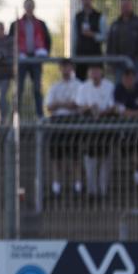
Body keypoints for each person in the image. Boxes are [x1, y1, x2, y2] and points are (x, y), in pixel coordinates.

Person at [75, 65, 119, 198]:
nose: (94, 73)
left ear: (102, 72)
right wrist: (90, 108)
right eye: (92, 71)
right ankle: (91, 191)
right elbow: (79, 107)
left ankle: (103, 190)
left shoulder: (109, 86)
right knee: (90, 159)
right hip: (89, 128)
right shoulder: (83, 87)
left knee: (105, 159)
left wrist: (101, 112)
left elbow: (113, 106)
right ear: (88, 73)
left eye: (97, 70)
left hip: (105, 125)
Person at [44, 60, 84, 196]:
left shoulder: (79, 85)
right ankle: (56, 187)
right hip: (57, 122)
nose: (66, 70)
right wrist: (66, 104)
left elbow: (77, 104)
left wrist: (59, 104)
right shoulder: (54, 86)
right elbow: (49, 107)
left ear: (72, 68)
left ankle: (77, 186)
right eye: (63, 67)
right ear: (60, 69)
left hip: (73, 122)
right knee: (57, 157)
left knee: (75, 157)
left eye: (68, 67)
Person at [9, 0, 52, 118]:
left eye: (31, 6)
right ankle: (15, 117)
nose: (29, 8)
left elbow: (47, 40)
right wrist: (15, 54)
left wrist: (45, 53)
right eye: (27, 5)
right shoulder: (15, 24)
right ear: (24, 7)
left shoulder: (41, 23)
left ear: (34, 7)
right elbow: (10, 41)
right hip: (21, 59)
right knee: (18, 89)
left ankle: (40, 116)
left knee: (37, 88)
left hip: (36, 59)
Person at [106, 0, 138, 79]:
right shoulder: (115, 24)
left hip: (134, 63)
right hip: (118, 64)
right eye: (123, 6)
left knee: (136, 88)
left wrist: (137, 56)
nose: (125, 8)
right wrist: (110, 63)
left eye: (127, 6)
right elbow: (109, 45)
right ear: (120, 7)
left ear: (131, 7)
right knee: (119, 89)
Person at [72, 0, 107, 81]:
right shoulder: (77, 17)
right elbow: (74, 38)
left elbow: (105, 37)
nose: (85, 1)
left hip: (95, 56)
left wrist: (93, 35)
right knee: (79, 83)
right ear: (81, 0)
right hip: (80, 56)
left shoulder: (100, 16)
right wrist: (73, 56)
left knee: (98, 83)